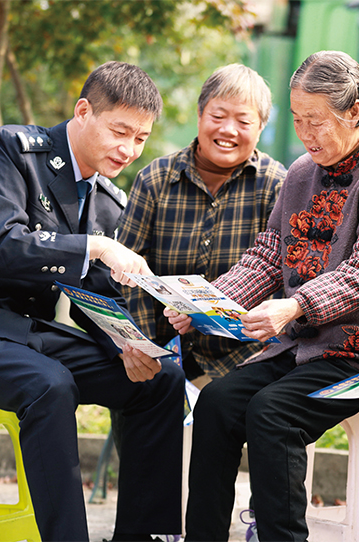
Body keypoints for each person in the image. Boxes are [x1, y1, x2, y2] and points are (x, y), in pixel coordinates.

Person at [0, 61, 185, 541]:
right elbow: (2, 248)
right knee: (50, 385)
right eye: (120, 131)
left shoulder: (106, 201)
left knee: (161, 380)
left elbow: (90, 296)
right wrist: (95, 246)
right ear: (83, 111)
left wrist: (129, 344)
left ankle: (143, 537)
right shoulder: (10, 152)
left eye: (140, 138)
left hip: (21, 334)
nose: (129, 149)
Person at [172, 50, 359, 541]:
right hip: (305, 345)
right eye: (298, 120)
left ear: (354, 111)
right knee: (218, 404)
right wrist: (204, 304)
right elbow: (267, 259)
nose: (305, 134)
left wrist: (294, 306)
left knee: (273, 414)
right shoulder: (300, 175)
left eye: (316, 121)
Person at [118, 63, 286, 384]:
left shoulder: (277, 185)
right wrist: (144, 347)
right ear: (199, 114)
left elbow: (284, 279)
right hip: (163, 353)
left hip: (246, 360)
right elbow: (129, 274)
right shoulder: (155, 179)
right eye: (218, 117)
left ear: (261, 127)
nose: (228, 130)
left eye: (244, 121)